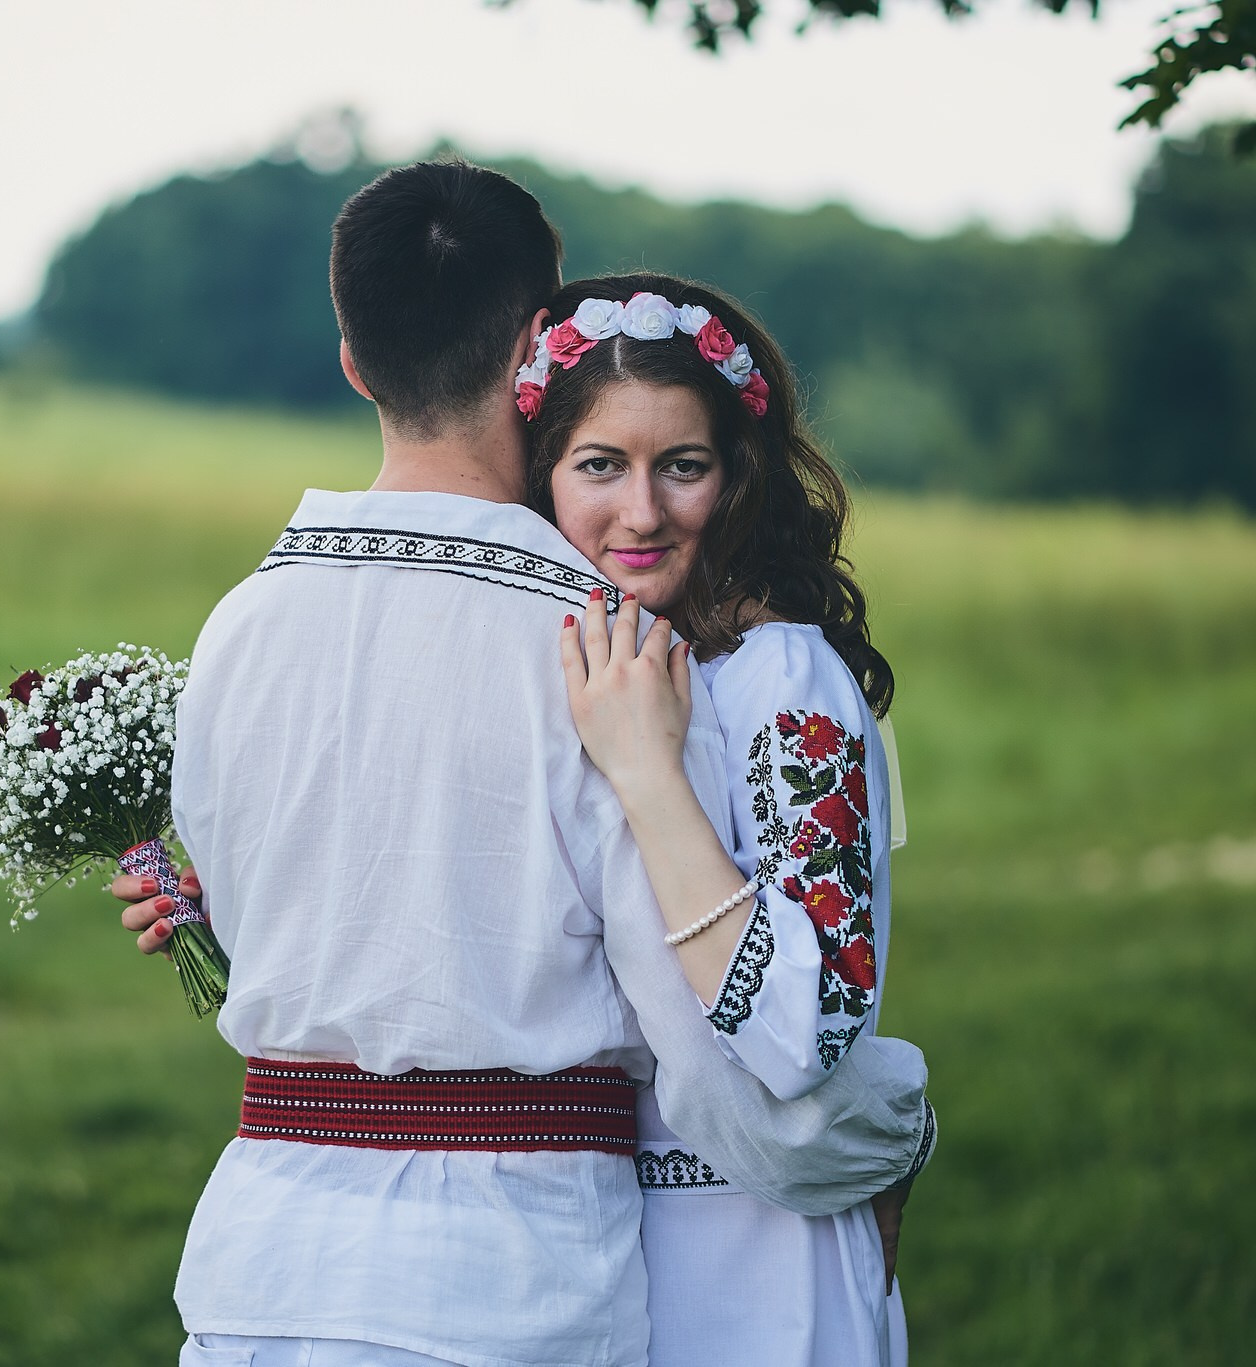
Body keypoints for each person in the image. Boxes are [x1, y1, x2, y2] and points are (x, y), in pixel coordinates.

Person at [121, 161, 933, 1367]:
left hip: (256, 1267)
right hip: (504, 1285)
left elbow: (316, 950)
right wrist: (881, 1134)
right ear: (531, 355)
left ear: (351, 359)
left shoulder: (238, 623)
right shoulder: (605, 648)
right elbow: (722, 1055)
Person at [539, 272, 923, 1366]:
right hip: (594, 1232)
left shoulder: (782, 677)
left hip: (762, 1243)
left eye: (683, 466)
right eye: (599, 465)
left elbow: (803, 1028)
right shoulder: (575, 658)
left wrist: (649, 775)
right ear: (544, 477)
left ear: (736, 477)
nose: (642, 511)